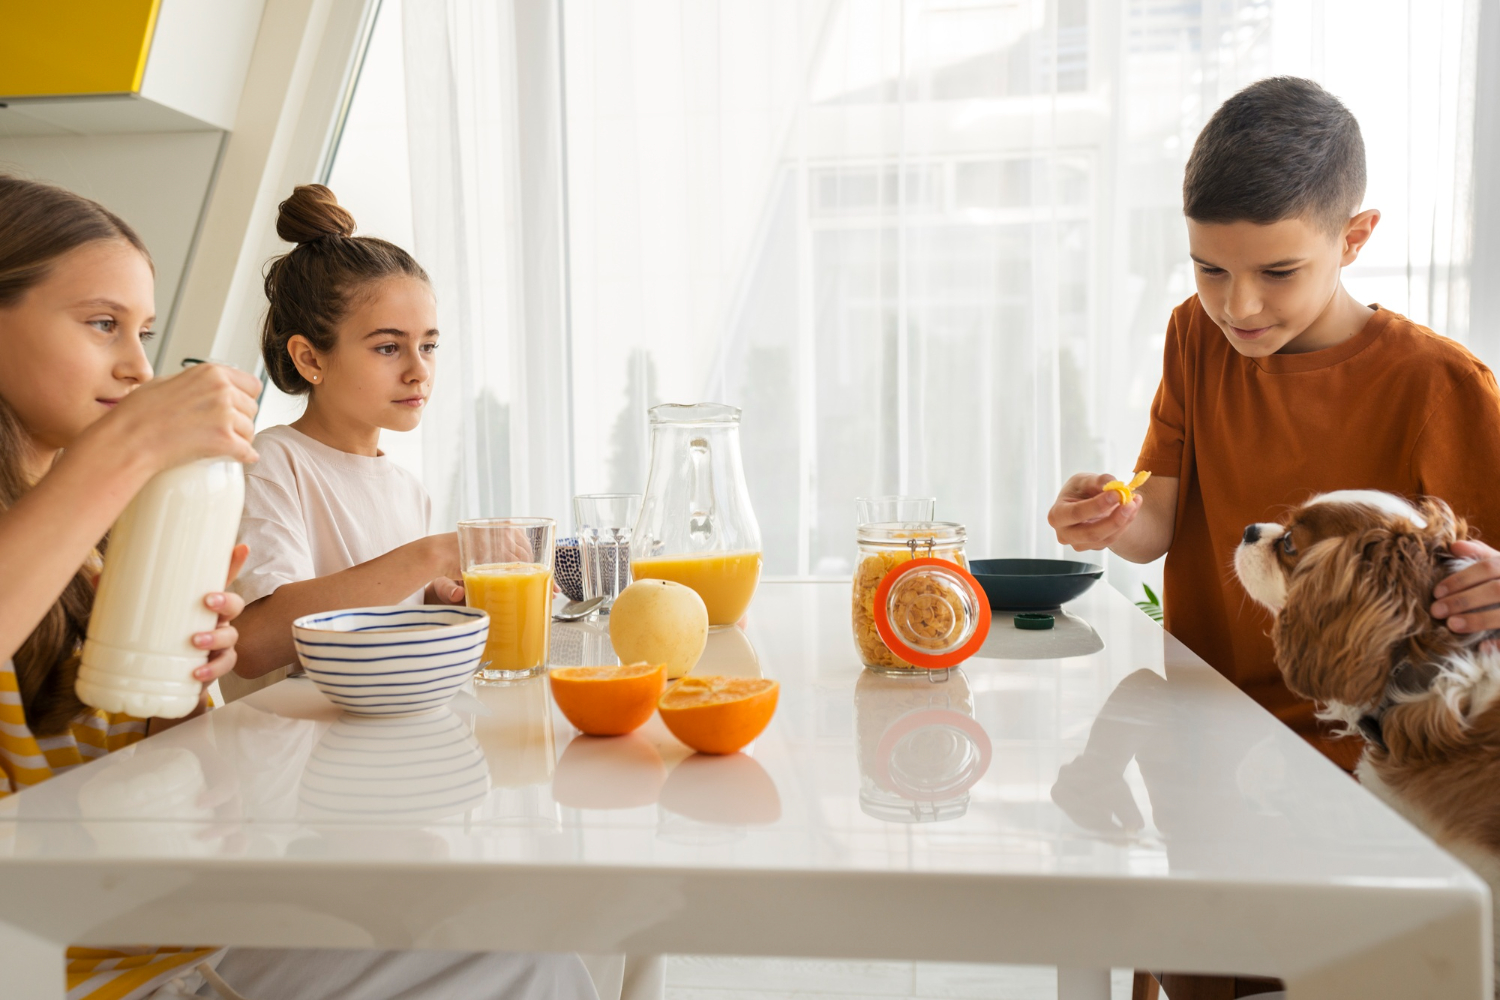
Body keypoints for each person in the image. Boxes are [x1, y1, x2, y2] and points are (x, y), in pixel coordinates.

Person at [1048, 75, 1500, 1000]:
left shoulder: (1440, 385)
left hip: (1375, 786)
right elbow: (1158, 527)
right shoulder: (1193, 339)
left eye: (1276, 272)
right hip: (1203, 747)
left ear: (1355, 238)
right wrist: (1109, 521)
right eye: (1210, 269)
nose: (1237, 306)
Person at [0, 173, 259, 998]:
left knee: (513, 953)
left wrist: (186, 677)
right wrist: (130, 450)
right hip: (50, 968)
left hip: (149, 938)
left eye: (144, 330)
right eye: (103, 325)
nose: (138, 366)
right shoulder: (78, 507)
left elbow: (140, 790)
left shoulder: (100, 539)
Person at [227, 184, 465, 690]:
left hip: (372, 747)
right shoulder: (270, 463)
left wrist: (435, 598)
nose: (419, 371)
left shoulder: (406, 488)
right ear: (310, 358)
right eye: (387, 348)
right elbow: (254, 644)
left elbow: (376, 605)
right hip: (286, 753)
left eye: (429, 345)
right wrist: (431, 556)